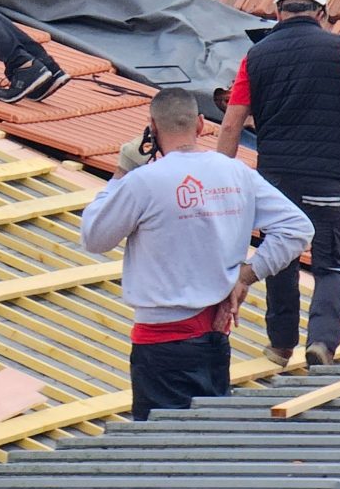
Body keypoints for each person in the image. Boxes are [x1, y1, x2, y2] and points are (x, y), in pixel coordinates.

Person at [81, 89, 313, 420]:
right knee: (208, 436)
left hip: (160, 342)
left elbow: (94, 237)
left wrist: (122, 171)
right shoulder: (236, 172)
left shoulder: (143, 181)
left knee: (160, 446)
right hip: (215, 338)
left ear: (152, 127)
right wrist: (246, 275)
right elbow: (298, 229)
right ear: (201, 125)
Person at [216, 0, 340, 369]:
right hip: (325, 179)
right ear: (322, 11)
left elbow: (232, 123)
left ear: (279, 11)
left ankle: (281, 345)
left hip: (275, 180)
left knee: (280, 254)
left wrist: (221, 177)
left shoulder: (256, 56)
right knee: (332, 261)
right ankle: (321, 341)